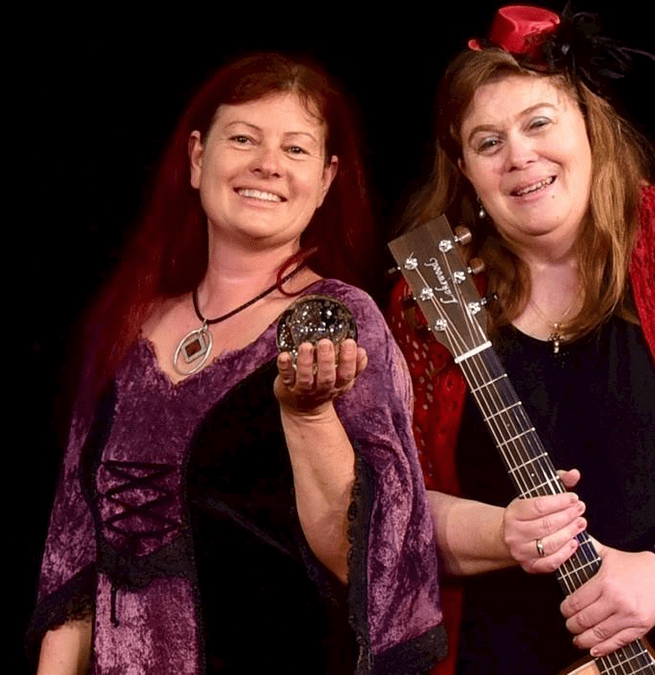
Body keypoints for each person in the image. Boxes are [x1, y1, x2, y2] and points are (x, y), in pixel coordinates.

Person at [387, 6, 655, 675]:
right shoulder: (430, 301)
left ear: (591, 123)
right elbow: (401, 505)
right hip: (506, 654)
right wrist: (499, 532)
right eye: (488, 141)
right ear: (464, 167)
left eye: (539, 122)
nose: (519, 156)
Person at [29, 52, 445, 675]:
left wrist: (309, 416)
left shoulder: (339, 320)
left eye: (296, 149)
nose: (268, 164)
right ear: (198, 158)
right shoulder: (126, 325)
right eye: (244, 139)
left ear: (326, 179)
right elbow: (74, 553)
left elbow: (365, 560)